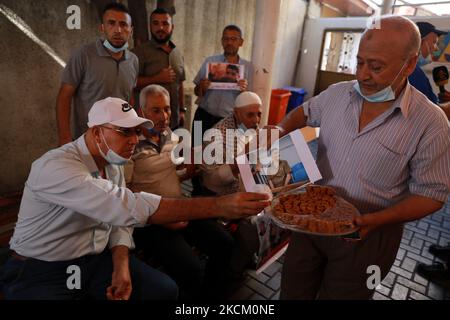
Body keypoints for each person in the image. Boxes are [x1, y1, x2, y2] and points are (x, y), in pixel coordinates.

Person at [1, 97, 269, 300]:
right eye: (124, 132)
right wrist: (220, 205)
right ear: (96, 132)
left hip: (93, 258)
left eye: (136, 132)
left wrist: (121, 264)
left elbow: (117, 221)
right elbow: (126, 206)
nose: (134, 140)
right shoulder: (56, 167)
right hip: (41, 267)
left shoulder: (113, 161)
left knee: (164, 290)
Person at [274, 16, 450, 299]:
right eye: (359, 62)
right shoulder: (336, 94)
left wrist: (377, 220)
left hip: (369, 236)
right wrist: (278, 130)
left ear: (409, 64)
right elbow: (303, 113)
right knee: (294, 289)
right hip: (311, 219)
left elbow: (432, 195)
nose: (363, 75)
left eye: (376, 66)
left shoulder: (431, 123)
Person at [125, 85, 235, 300]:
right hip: (149, 221)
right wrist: (161, 220)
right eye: (156, 110)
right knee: (191, 269)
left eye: (167, 109)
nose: (164, 116)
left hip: (178, 207)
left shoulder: (169, 135)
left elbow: (172, 174)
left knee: (224, 243)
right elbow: (125, 193)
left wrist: (188, 171)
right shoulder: (130, 144)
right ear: (141, 112)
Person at [200, 91, 264, 290]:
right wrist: (237, 165)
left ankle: (246, 255)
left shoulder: (252, 130)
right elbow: (211, 179)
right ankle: (234, 268)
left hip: (245, 188)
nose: (256, 120)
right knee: (252, 225)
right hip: (219, 195)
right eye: (250, 115)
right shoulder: (216, 135)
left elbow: (256, 164)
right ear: (236, 113)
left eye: (259, 114)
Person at [56, 2, 138, 145]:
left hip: (119, 141)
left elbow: (129, 98)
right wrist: (64, 137)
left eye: (124, 24)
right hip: (86, 141)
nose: (118, 30)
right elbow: (64, 96)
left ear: (131, 30)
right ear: (102, 27)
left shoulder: (133, 61)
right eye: (111, 23)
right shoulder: (83, 54)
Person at [193, 25, 253, 135]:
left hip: (229, 122)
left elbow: (250, 101)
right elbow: (196, 91)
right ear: (222, 41)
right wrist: (201, 86)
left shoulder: (248, 67)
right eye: (226, 38)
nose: (229, 42)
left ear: (241, 42)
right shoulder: (210, 61)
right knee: (195, 148)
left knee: (222, 152)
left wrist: (244, 92)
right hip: (202, 116)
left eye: (234, 39)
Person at [132, 8, 185, 130]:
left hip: (173, 121)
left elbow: (180, 83)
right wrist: (156, 78)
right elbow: (130, 84)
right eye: (156, 23)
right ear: (150, 26)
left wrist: (182, 110)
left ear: (172, 27)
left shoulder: (178, 53)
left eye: (165, 23)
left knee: (171, 149)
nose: (160, 28)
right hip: (148, 125)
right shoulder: (138, 53)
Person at [408, 21, 447, 104]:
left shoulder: (411, 68)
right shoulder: (412, 72)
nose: (436, 49)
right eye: (434, 42)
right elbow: (425, 111)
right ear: (421, 42)